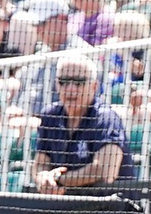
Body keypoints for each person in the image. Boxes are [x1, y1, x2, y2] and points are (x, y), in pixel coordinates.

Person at [33, 53, 136, 190]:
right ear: (57, 85)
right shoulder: (50, 116)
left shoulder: (106, 119)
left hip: (109, 207)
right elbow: (40, 163)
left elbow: (106, 171)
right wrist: (44, 178)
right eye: (64, 81)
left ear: (94, 86)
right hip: (64, 207)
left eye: (79, 82)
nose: (70, 88)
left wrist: (60, 180)